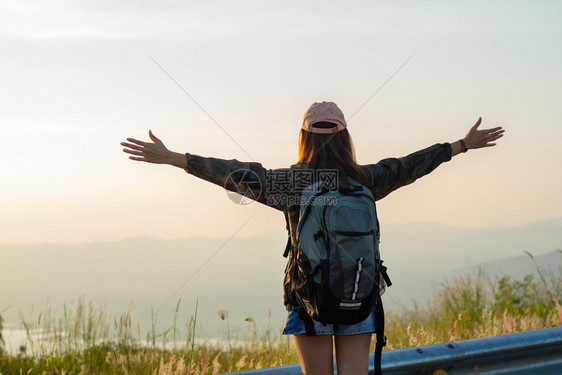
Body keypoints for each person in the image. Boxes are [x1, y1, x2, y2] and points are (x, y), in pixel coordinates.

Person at [121, 101, 504, 375]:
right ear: (346, 137)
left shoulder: (291, 183)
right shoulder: (366, 178)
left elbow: (233, 172)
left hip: (309, 298)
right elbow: (411, 165)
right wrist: (461, 145)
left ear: (303, 137)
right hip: (359, 292)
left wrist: (177, 158)